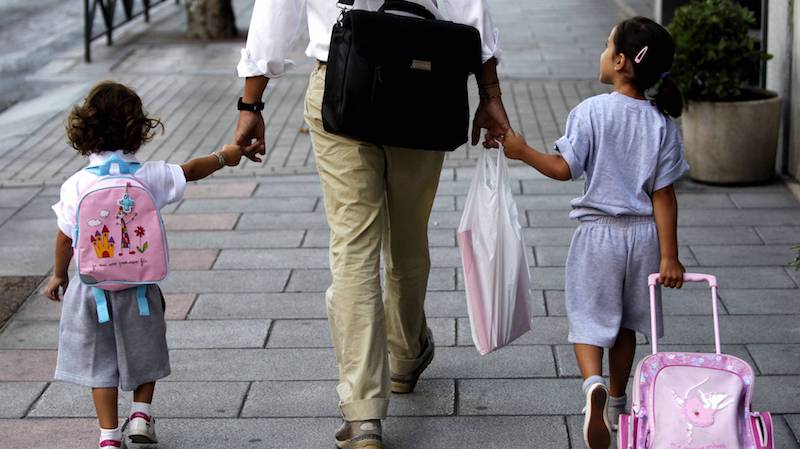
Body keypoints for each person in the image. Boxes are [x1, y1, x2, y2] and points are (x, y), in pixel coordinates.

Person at [234, 1, 510, 447]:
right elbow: (472, 15)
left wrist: (251, 102)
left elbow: (274, 17)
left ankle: (363, 414)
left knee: (353, 247)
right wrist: (490, 96)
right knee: (408, 236)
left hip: (344, 77)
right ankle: (404, 356)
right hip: (427, 77)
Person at [500, 17, 687, 449]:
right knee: (626, 326)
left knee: (588, 321)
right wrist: (669, 256)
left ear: (620, 62)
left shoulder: (590, 111)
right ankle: (619, 403)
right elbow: (664, 196)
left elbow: (564, 169)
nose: (602, 53)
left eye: (607, 47)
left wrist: (520, 149)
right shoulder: (661, 124)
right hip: (643, 238)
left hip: (597, 236)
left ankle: (592, 387)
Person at [43, 81, 262, 449]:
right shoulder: (149, 175)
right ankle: (141, 415)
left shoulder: (75, 184)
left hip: (92, 289)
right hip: (139, 285)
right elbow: (191, 169)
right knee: (146, 348)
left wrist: (59, 274)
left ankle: (109, 436)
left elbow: (65, 237)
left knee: (101, 362)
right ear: (138, 129)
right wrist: (226, 156)